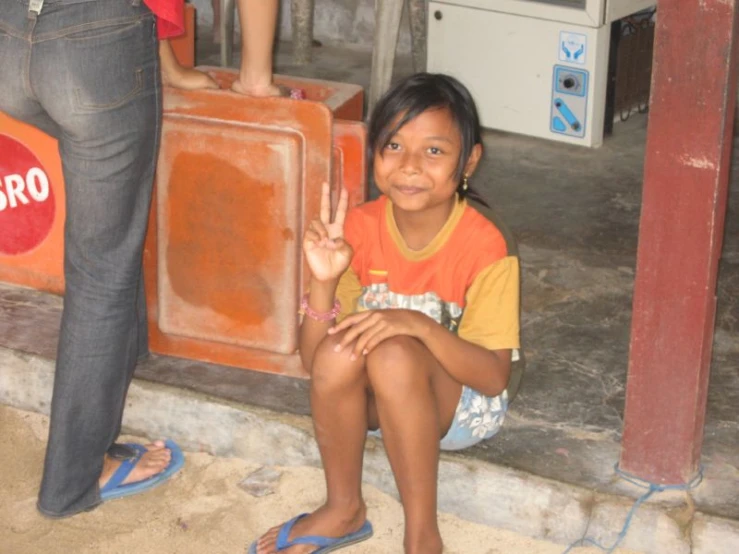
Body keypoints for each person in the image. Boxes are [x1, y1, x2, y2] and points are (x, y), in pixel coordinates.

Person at [248, 73, 521, 553]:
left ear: (469, 161)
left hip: (464, 406)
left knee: (395, 353)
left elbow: (493, 377)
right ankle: (344, 508)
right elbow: (317, 364)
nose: (410, 166)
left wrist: (414, 324)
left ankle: (423, 536)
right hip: (385, 396)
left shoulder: (486, 244)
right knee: (344, 352)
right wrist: (324, 279)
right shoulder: (358, 226)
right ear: (374, 151)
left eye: (434, 151)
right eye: (393, 146)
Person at [0, 0, 183, 518]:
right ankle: (73, 481)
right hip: (96, 40)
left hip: (12, 36)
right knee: (100, 269)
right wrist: (255, 75)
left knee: (110, 211)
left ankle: (123, 349)